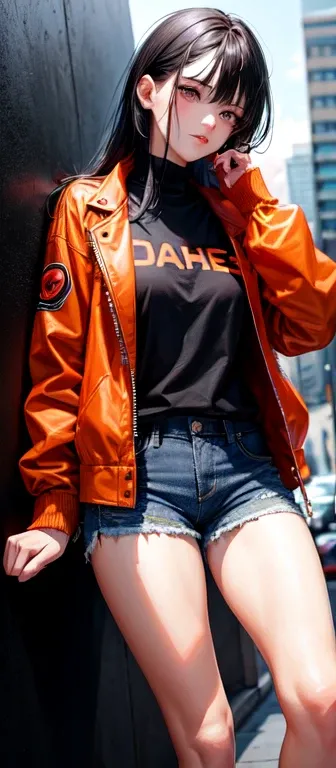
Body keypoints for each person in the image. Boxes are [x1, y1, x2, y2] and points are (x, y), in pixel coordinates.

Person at [3, 8, 336, 767]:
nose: (213, 123)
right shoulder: (87, 210)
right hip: (135, 481)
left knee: (321, 700)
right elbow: (57, 369)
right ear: (150, 90)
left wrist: (254, 203)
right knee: (210, 736)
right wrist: (54, 511)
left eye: (231, 111)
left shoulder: (235, 211)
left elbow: (312, 321)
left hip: (247, 467)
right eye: (197, 95)